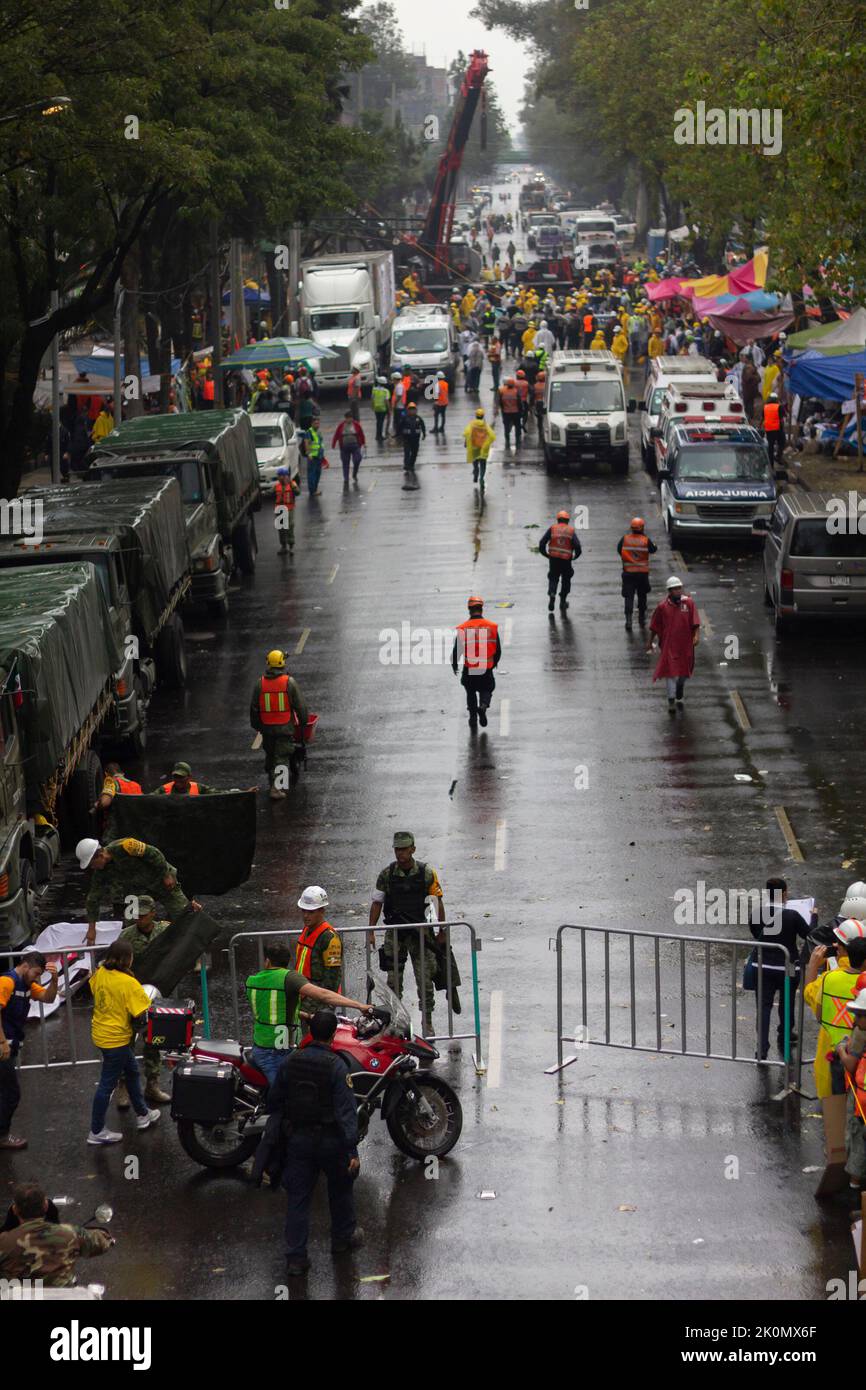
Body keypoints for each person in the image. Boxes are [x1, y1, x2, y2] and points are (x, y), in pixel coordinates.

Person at [268, 1009, 363, 1277]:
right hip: (331, 1141)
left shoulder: (290, 1061)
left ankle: (296, 1258)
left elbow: (273, 1099)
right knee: (341, 1189)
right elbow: (346, 1113)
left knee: (298, 1198)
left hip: (299, 1140)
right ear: (334, 1034)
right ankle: (342, 1239)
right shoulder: (337, 1066)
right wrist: (352, 1151)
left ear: (311, 1033)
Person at [246, 942, 369, 1086]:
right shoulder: (288, 978)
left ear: (267, 962)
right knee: (284, 1100)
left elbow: (272, 1009)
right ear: (287, 962)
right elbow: (323, 995)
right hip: (276, 1051)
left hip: (262, 1045)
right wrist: (359, 1005)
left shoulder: (252, 980)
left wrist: (306, 1016)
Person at [87, 938, 161, 1144]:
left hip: (101, 1034)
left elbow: (93, 988)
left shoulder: (100, 973)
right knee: (106, 1085)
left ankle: (143, 1114)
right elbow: (142, 1010)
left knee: (131, 1072)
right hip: (117, 1039)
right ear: (128, 959)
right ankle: (96, 1130)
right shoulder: (128, 982)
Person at [368, 832, 446, 1021]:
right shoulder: (386, 874)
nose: (400, 853)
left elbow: (437, 901)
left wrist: (441, 930)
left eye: (404, 849)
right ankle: (396, 1020)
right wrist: (370, 930)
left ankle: (427, 1021)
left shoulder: (426, 872)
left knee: (425, 979)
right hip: (395, 934)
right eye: (397, 849)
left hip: (421, 935)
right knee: (393, 981)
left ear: (413, 849)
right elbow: (377, 903)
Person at [78, 837, 201, 948]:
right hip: (136, 892)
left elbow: (154, 853)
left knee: (184, 913)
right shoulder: (100, 872)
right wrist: (92, 929)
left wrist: (166, 874)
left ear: (100, 855)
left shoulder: (126, 846)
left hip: (161, 881)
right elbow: (93, 898)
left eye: (92, 864)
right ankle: (137, 956)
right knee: (131, 926)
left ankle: (196, 955)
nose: (92, 868)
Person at [0, 1183, 112, 1287]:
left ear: (15, 1209)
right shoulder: (70, 1233)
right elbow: (103, 1242)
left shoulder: (4, 1241)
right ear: (46, 1205)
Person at [117, 894, 172, 1105]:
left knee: (154, 1039)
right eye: (137, 915)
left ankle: (152, 1084)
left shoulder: (164, 931)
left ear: (153, 914)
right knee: (127, 1040)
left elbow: (184, 939)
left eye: (144, 915)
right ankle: (123, 1086)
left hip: (156, 995)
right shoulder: (126, 936)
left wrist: (191, 911)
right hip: (132, 996)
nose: (139, 919)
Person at [0, 953, 58, 1150]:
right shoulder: (7, 982)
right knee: (10, 1093)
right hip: (3, 1046)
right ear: (25, 966)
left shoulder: (26, 985)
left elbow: (48, 998)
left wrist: (55, 980)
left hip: (9, 1044)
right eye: (36, 973)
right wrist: (2, 1043)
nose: (37, 978)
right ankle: (2, 1136)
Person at [748, 878, 808, 1060]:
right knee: (787, 1002)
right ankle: (785, 1034)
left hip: (763, 966)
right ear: (783, 894)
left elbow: (756, 934)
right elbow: (809, 934)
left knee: (764, 1006)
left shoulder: (757, 914)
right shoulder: (793, 915)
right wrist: (813, 916)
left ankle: (762, 1048)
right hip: (788, 966)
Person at [803, 926, 866, 1100]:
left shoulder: (829, 978)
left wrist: (813, 966)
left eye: (838, 942)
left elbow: (809, 995)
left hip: (831, 1056)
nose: (834, 945)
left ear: (846, 949)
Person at [249, 649, 308, 800]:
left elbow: (254, 708)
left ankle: (272, 782)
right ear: (282, 663)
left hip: (267, 729)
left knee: (270, 755)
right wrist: (303, 722)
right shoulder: (289, 682)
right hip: (284, 728)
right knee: (282, 757)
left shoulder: (260, 683)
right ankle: (277, 789)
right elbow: (300, 706)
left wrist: (257, 726)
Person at [647, 577, 700, 711]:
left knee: (683, 672)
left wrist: (696, 636)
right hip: (669, 645)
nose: (677, 591)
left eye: (679, 588)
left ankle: (679, 690)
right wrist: (649, 642)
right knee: (670, 672)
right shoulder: (662, 607)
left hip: (686, 645)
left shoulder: (688, 603)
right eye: (674, 589)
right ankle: (671, 700)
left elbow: (695, 623)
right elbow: (654, 626)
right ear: (669, 591)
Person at [452, 594, 501, 729]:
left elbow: (457, 649)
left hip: (470, 668)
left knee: (470, 691)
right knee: (487, 688)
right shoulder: (491, 626)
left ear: (469, 609)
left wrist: (455, 664)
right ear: (482, 609)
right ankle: (483, 707)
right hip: (486, 667)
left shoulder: (463, 628)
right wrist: (494, 662)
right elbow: (498, 649)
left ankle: (473, 717)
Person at [836, 989, 866, 1206]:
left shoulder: (860, 1035)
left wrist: (840, 1050)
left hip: (862, 1106)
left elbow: (851, 1064)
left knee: (857, 1142)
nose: (855, 1020)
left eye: (859, 1015)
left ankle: (854, 1191)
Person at [295, 886, 342, 1000]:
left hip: (317, 1000)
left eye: (311, 912)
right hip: (303, 995)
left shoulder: (330, 938)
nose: (306, 915)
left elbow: (332, 980)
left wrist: (325, 1008)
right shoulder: (307, 930)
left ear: (322, 910)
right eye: (303, 910)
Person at [617, 516, 658, 629]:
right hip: (642, 574)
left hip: (628, 573)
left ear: (632, 528)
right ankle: (641, 618)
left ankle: (629, 621)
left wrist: (627, 558)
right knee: (642, 595)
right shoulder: (645, 540)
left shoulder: (625, 539)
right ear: (642, 528)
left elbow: (619, 549)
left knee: (628, 597)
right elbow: (653, 549)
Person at [539, 510, 582, 613]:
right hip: (566, 560)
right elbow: (577, 546)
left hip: (553, 559)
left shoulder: (553, 528)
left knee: (553, 577)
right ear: (567, 520)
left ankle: (552, 594)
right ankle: (562, 601)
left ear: (558, 520)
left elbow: (542, 543)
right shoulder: (570, 531)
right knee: (566, 579)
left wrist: (546, 554)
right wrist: (575, 556)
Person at [464, 408, 496, 493]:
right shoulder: (485, 425)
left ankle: (475, 472)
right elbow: (492, 435)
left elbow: (467, 433)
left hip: (474, 447)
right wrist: (488, 442)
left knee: (475, 462)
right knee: (483, 464)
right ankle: (481, 478)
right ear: (483, 416)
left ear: (476, 415)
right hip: (483, 448)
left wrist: (466, 443)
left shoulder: (472, 424)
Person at [273, 464, 300, 552]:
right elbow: (270, 493)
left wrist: (293, 485)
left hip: (289, 509)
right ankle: (283, 546)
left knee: (289, 526)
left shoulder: (292, 484)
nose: (280, 477)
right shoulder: (276, 486)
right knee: (281, 528)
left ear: (286, 476)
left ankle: (291, 545)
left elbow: (297, 493)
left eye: (282, 475)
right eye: (279, 476)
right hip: (279, 509)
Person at [153, 761, 219, 795]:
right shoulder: (164, 789)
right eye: (176, 776)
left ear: (190, 777)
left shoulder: (199, 788)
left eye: (181, 777)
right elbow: (148, 798)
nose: (178, 779)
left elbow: (219, 794)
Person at [401, 402, 426, 488]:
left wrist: (424, 434)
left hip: (415, 439)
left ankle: (411, 465)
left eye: (413, 409)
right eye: (410, 409)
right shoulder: (405, 418)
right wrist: (397, 435)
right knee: (407, 452)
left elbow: (423, 426)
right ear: (408, 411)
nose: (412, 411)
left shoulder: (418, 419)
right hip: (407, 439)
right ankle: (406, 465)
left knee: (414, 453)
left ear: (416, 410)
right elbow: (399, 427)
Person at [299, 422, 325, 496]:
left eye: (318, 423)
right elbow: (306, 443)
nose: (317, 425)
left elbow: (320, 443)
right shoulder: (309, 432)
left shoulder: (318, 432)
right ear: (312, 424)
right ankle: (312, 491)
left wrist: (322, 455)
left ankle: (315, 489)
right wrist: (309, 454)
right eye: (315, 423)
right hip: (312, 457)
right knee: (312, 475)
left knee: (318, 474)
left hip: (319, 456)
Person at [763, 392, 785, 467]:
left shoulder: (765, 407)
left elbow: (763, 417)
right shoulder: (779, 406)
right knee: (782, 442)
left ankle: (771, 464)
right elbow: (782, 417)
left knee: (771, 446)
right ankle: (778, 457)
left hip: (768, 429)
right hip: (777, 428)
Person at [371, 375, 390, 443]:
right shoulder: (386, 391)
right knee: (381, 422)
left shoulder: (374, 389)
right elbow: (386, 401)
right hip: (383, 408)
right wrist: (389, 409)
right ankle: (380, 436)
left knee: (378, 422)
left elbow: (372, 399)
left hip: (376, 408)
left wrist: (372, 406)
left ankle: (377, 435)